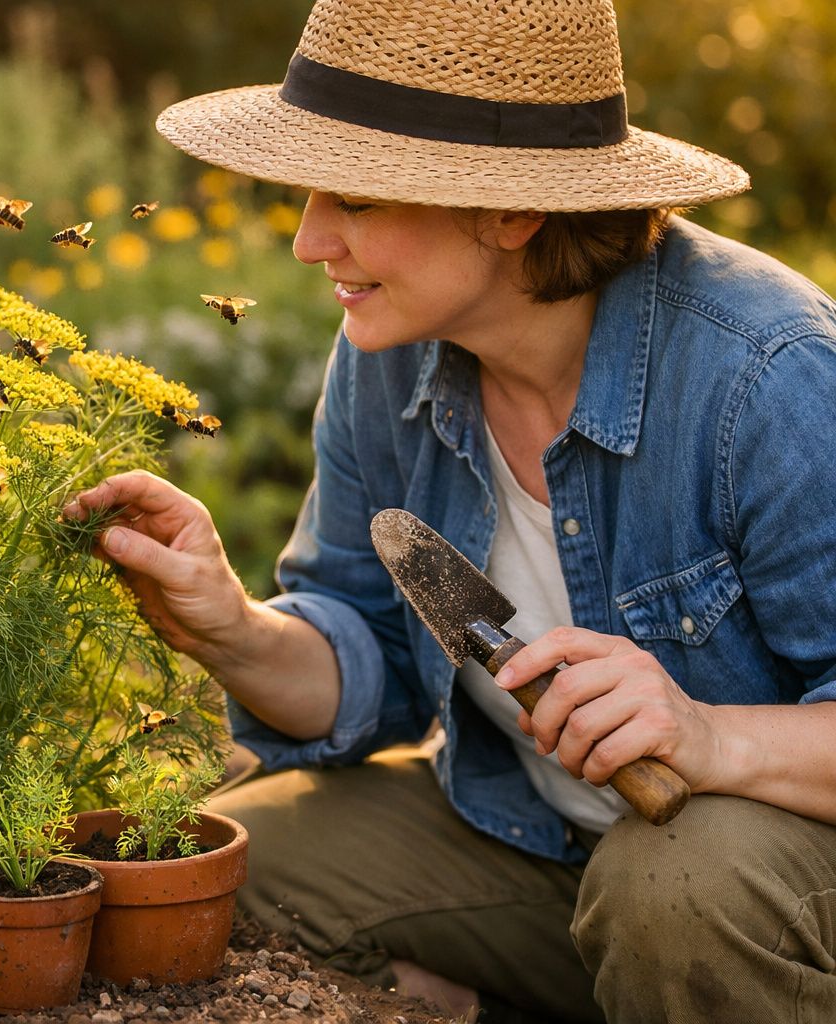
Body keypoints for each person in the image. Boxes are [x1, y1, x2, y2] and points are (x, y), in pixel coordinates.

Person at [62, 2, 836, 1022]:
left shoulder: (768, 378)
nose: (307, 240)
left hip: (755, 873)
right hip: (529, 835)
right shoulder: (390, 358)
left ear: (509, 213)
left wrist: (710, 738)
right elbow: (370, 655)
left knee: (674, 885)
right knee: (210, 873)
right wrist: (234, 630)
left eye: (354, 199)